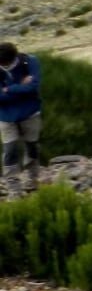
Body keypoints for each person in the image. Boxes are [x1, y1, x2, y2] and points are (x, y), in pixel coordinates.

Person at [0, 42, 42, 197]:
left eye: (6, 64)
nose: (4, 67)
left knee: (32, 147)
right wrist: (20, 87)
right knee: (10, 150)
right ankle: (13, 188)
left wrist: (8, 89)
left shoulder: (29, 62)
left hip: (30, 113)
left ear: (14, 58)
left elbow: (33, 87)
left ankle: (32, 180)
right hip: (6, 117)